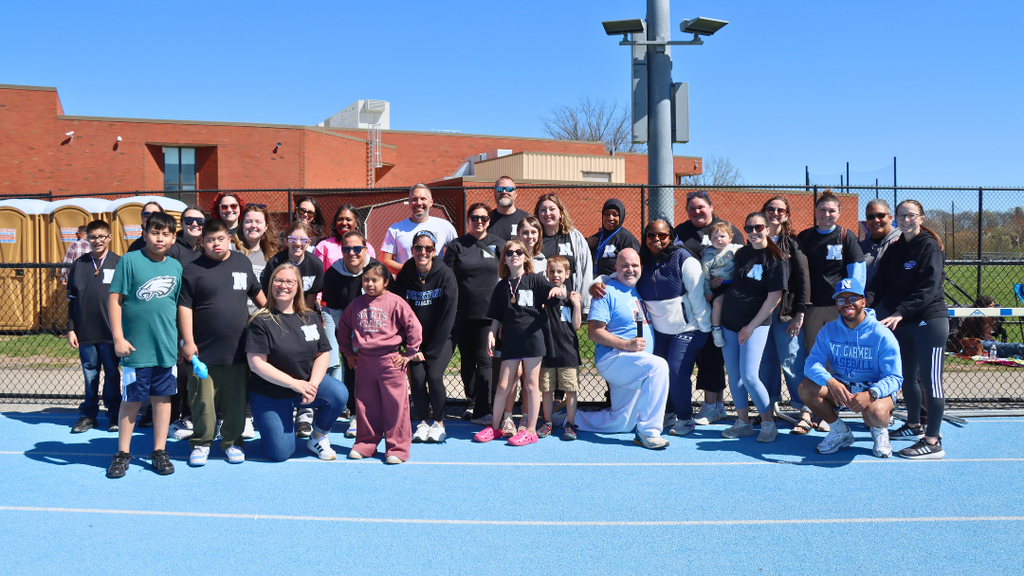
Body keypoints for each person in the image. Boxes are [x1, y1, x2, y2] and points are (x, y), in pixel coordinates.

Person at [178, 219, 266, 466]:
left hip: (238, 349)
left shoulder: (242, 262)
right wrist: (188, 341)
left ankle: (232, 441)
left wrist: (277, 321)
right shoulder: (192, 268)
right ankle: (201, 443)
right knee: (203, 401)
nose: (215, 243)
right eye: (209, 240)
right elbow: (184, 306)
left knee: (236, 401)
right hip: (203, 351)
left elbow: (258, 296)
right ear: (201, 242)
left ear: (230, 238)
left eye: (220, 238)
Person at [866, 199, 948, 460]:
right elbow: (879, 283)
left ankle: (933, 441)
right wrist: (861, 305)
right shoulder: (895, 248)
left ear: (921, 218)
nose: (905, 219)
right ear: (896, 219)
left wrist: (899, 311)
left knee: (931, 381)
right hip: (904, 323)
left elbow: (928, 288)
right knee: (906, 378)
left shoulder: (929, 246)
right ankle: (914, 425)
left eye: (911, 215)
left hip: (929, 321)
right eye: (901, 215)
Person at [105, 212, 182, 478]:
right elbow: (115, 300)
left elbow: (176, 307)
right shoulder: (129, 261)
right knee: (132, 400)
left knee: (162, 400)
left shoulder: (175, 267)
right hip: (135, 349)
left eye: (165, 234)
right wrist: (118, 337)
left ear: (173, 238)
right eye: (154, 232)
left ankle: (159, 451)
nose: (159, 238)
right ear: (144, 232)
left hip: (166, 348)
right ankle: (123, 453)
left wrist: (180, 342)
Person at [246, 264, 348, 462]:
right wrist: (295, 383)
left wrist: (313, 385)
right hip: (271, 395)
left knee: (338, 393)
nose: (283, 285)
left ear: (298, 286)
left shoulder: (310, 317)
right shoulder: (260, 320)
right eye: (278, 280)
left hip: (303, 388)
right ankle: (274, 429)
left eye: (289, 281)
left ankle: (317, 437)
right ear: (270, 284)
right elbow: (257, 363)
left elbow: (322, 354)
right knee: (280, 454)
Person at [571, 249, 671, 449]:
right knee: (658, 367)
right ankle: (649, 432)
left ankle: (569, 417)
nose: (630, 270)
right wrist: (627, 345)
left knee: (623, 422)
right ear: (615, 268)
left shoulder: (639, 290)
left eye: (634, 266)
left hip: (634, 363)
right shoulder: (605, 291)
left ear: (641, 268)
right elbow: (594, 333)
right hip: (614, 358)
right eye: (624, 266)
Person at [473, 240, 566, 446]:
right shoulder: (501, 286)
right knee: (503, 385)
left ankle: (531, 430)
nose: (514, 255)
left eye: (519, 252)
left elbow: (557, 293)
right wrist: (491, 332)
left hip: (533, 339)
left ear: (525, 257)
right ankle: (496, 427)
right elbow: (497, 315)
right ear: (504, 259)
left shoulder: (535, 280)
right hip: (511, 341)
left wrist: (561, 291)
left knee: (532, 384)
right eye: (509, 252)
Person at [799, 278, 903, 458]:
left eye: (852, 298)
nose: (847, 304)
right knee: (806, 388)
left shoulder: (881, 334)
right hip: (843, 386)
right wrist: (830, 381)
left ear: (863, 301)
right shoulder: (828, 330)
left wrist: (872, 394)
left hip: (873, 388)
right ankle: (840, 431)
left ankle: (879, 432)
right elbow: (811, 364)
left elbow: (895, 377)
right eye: (841, 299)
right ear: (836, 304)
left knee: (876, 413)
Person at [338, 261, 424, 464]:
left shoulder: (395, 302)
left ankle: (397, 448)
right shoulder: (356, 304)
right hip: (365, 361)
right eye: (365, 279)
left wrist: (409, 353)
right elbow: (343, 328)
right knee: (366, 405)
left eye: (374, 280)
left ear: (385, 282)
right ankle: (365, 443)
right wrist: (348, 353)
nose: (369, 284)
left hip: (390, 360)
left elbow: (414, 327)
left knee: (395, 405)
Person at [673, 190, 743, 425]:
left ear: (711, 207)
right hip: (692, 302)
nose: (696, 211)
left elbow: (742, 264)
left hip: (722, 302)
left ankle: (712, 405)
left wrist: (721, 287)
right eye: (691, 208)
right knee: (705, 354)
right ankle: (717, 404)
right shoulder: (680, 232)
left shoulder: (727, 230)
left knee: (714, 353)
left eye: (701, 207)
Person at [719, 212, 788, 443]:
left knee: (749, 375)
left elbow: (774, 298)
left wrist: (750, 327)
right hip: (730, 322)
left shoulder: (776, 258)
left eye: (759, 227)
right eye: (749, 228)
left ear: (768, 229)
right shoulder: (741, 253)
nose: (754, 232)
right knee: (735, 377)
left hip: (755, 325)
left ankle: (768, 422)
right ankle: (743, 422)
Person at [392, 231, 458, 443]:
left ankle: (439, 423)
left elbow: (449, 316)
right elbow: (398, 314)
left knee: (435, 376)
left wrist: (429, 352)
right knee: (418, 379)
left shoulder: (445, 275)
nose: (423, 252)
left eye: (428, 248)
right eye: (418, 248)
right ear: (412, 250)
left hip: (442, 338)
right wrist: (411, 347)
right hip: (414, 342)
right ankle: (423, 422)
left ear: (434, 251)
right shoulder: (404, 275)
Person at [322, 230, 389, 438]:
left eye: (357, 248)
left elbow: (388, 302)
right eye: (347, 249)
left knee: (380, 374)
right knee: (353, 370)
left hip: (377, 328)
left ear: (366, 248)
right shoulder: (333, 273)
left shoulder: (377, 269)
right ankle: (355, 416)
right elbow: (333, 312)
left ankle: (383, 416)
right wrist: (348, 342)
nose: (352, 253)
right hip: (348, 328)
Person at [261, 221, 324, 437]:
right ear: (286, 240)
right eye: (293, 239)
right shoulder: (275, 263)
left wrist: (304, 320)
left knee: (307, 355)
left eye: (303, 240)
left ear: (309, 242)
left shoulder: (315, 264)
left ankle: (305, 413)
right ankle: (283, 406)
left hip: (302, 314)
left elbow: (310, 298)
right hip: (278, 314)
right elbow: (269, 293)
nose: (298, 244)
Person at [444, 203, 506, 425]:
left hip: (488, 315)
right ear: (468, 219)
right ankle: (471, 402)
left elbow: (507, 277)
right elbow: (448, 279)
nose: (479, 221)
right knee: (467, 362)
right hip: (462, 314)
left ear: (489, 220)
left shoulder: (500, 245)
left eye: (483, 218)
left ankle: (483, 408)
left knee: (485, 360)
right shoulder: (456, 246)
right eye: (474, 217)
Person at [757, 196, 813, 433]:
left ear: (787, 215)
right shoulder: (755, 241)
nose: (775, 213)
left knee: (792, 363)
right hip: (759, 317)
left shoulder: (794, 244)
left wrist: (800, 313)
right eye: (771, 209)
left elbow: (803, 280)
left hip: (786, 315)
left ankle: (805, 412)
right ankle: (767, 412)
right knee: (765, 364)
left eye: (781, 210)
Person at [67, 220, 121, 434]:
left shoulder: (119, 262)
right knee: (90, 374)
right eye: (92, 237)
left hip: (110, 331)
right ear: (86, 238)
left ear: (109, 237)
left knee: (112, 374)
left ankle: (114, 414)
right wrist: (71, 328)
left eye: (101, 236)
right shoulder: (79, 264)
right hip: (85, 331)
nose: (97, 240)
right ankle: (88, 415)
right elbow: (71, 299)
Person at [796, 191, 866, 354]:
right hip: (812, 307)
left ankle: (839, 381)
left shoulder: (845, 236)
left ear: (839, 213)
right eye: (822, 210)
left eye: (832, 211)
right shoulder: (805, 237)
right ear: (815, 211)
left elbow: (857, 271)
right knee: (815, 352)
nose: (826, 214)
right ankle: (818, 381)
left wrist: (853, 301)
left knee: (840, 351)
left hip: (838, 305)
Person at [315, 204, 371, 385]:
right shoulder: (325, 247)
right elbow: (319, 278)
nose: (344, 222)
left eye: (348, 219)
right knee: (338, 358)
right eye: (340, 219)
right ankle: (343, 399)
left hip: (368, 317)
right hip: (334, 308)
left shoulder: (368, 251)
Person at [165, 205, 204, 441]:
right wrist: (180, 335)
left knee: (191, 375)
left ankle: (188, 417)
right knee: (177, 375)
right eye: (190, 220)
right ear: (182, 222)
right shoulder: (173, 251)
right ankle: (170, 421)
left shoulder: (203, 250)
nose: (195, 224)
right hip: (176, 322)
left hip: (197, 322)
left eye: (200, 221)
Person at [536, 255, 583, 440]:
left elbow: (576, 326)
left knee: (570, 390)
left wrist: (577, 305)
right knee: (546, 389)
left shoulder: (571, 297)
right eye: (552, 271)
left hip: (568, 351)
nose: (555, 275)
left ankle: (570, 424)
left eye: (559, 271)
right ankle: (547, 422)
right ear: (547, 274)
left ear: (567, 274)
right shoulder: (544, 295)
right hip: (548, 350)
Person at [380, 183, 458, 275]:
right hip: (407, 284)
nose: (419, 203)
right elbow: (385, 260)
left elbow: (456, 257)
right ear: (409, 202)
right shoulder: (395, 229)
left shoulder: (445, 226)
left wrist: (441, 273)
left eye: (423, 199)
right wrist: (410, 270)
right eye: (414, 199)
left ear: (431, 202)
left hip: (436, 284)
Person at [535, 193, 593, 314]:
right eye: (543, 210)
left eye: (552, 209)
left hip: (567, 304)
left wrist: (584, 304)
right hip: (541, 304)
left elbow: (585, 269)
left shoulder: (574, 237)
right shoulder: (534, 239)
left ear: (561, 213)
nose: (547, 213)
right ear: (537, 214)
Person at [700, 221, 744, 347]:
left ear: (730, 238)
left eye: (722, 236)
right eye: (714, 237)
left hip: (735, 284)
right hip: (720, 285)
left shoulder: (736, 249)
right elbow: (704, 276)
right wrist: (708, 291)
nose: (718, 239)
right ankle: (716, 329)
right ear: (710, 240)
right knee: (717, 303)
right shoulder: (707, 258)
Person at [950, 296, 1024, 358]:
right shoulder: (972, 319)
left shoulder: (990, 317)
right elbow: (960, 334)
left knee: (1014, 355)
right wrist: (950, 347)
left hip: (992, 343)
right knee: (1017, 346)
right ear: (983, 307)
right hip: (981, 344)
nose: (993, 309)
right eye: (991, 307)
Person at [238, 204, 279, 315]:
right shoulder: (232, 252)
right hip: (237, 317)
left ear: (266, 226)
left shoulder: (272, 257)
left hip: (260, 317)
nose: (253, 225)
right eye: (248, 221)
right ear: (242, 225)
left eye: (258, 222)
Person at [588, 198, 641, 277]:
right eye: (607, 214)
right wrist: (586, 243)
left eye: (615, 215)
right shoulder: (596, 238)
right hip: (594, 284)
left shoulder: (626, 238)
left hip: (616, 284)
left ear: (621, 217)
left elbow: (636, 265)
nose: (610, 218)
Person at [860, 199, 901, 287]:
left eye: (881, 215)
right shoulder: (860, 247)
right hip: (866, 299)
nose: (876, 220)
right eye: (871, 217)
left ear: (890, 218)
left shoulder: (902, 242)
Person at [488, 176, 530, 241]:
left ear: (515, 194)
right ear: (494, 193)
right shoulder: (485, 220)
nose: (504, 192)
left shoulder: (527, 219)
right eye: (500, 189)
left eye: (509, 189)